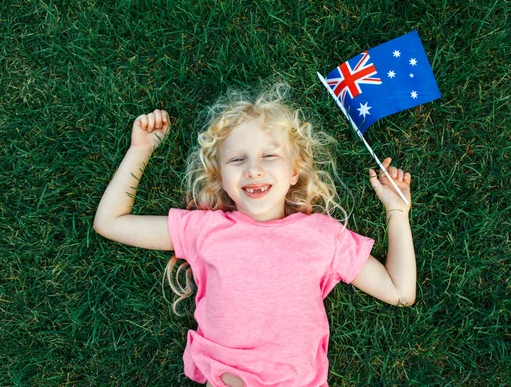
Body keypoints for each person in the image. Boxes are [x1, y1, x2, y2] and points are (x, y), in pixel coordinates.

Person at [93, 84, 416, 387]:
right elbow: (110, 222)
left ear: (294, 172)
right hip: (228, 377)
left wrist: (397, 212)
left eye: (269, 156)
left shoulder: (322, 235)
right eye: (237, 159)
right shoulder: (205, 230)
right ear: (219, 175)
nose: (253, 169)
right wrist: (141, 150)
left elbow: (400, 291)